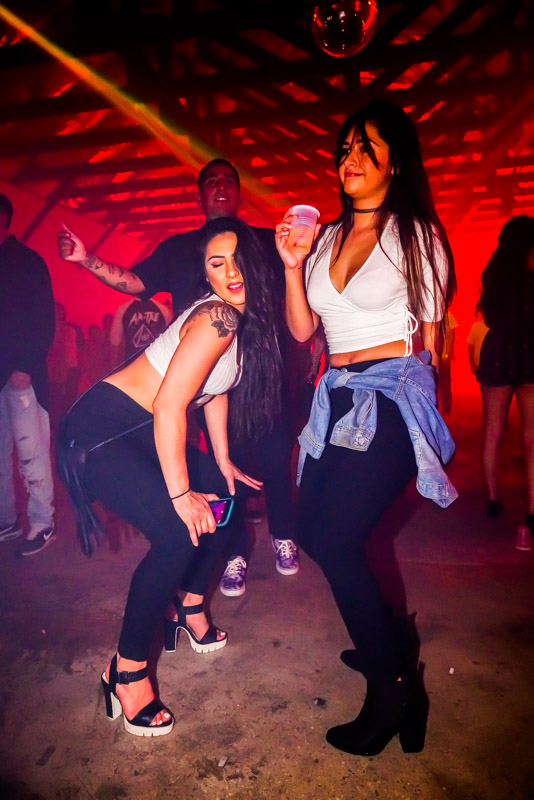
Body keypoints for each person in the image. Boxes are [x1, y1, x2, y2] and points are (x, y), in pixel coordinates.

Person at [275, 99, 457, 757]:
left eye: (365, 147)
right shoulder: (323, 236)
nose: (350, 158)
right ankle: (392, 639)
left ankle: (393, 691)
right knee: (312, 531)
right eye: (345, 147)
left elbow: (432, 337)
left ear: (395, 162)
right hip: (336, 392)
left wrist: (427, 423)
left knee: (335, 536)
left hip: (393, 388)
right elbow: (304, 330)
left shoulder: (417, 236)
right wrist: (292, 264)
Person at [57, 217, 284, 736]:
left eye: (237, 260)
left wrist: (221, 462)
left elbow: (215, 389)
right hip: (103, 431)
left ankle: (190, 606)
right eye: (216, 263)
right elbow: (168, 406)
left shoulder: (243, 323)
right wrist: (181, 493)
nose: (230, 272)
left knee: (224, 500)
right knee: (178, 532)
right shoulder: (217, 316)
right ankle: (127, 672)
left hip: (142, 429)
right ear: (206, 273)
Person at [57, 158, 298, 596]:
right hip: (190, 393)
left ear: (239, 192)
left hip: (257, 380)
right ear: (199, 195)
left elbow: (304, 285)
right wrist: (87, 259)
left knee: (268, 465)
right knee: (215, 491)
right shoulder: (181, 251)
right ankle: (232, 555)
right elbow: (135, 282)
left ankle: (281, 536)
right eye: (212, 181)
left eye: (230, 180)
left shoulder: (264, 242)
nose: (221, 187)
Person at [0, 192, 56, 556]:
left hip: (21, 376)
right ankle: (5, 520)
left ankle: (42, 522)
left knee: (30, 452)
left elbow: (44, 317)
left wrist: (25, 365)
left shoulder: (26, 261)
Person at [475, 215, 534, 531]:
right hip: (529, 354)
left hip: (498, 352)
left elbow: (487, 317)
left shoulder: (494, 275)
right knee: (532, 436)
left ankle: (493, 500)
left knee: (493, 432)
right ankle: (533, 510)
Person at [110, 296, 173, 360]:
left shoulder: (123, 309)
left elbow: (115, 342)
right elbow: (114, 342)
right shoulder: (163, 309)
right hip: (156, 359)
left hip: (139, 360)